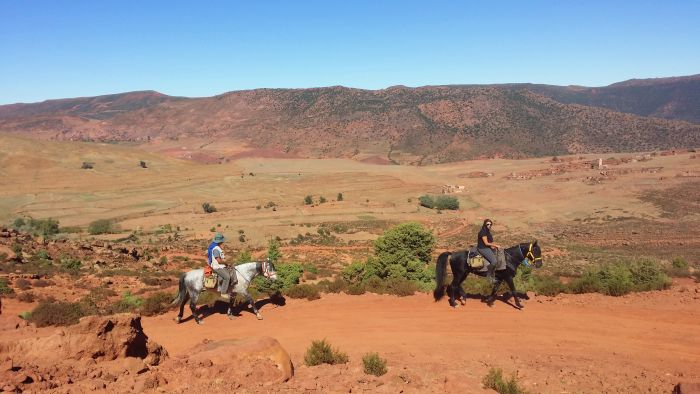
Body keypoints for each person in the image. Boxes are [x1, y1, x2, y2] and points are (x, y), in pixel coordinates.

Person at [207, 232, 237, 299]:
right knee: (227, 277)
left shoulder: (218, 248)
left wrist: (227, 264)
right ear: (221, 241)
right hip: (217, 267)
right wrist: (226, 262)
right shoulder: (216, 249)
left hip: (221, 266)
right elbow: (218, 261)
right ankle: (223, 292)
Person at [477, 219, 500, 284]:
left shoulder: (487, 231)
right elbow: (486, 243)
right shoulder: (483, 232)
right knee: (494, 261)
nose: (489, 225)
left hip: (487, 247)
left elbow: (490, 242)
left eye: (490, 224)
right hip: (483, 248)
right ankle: (489, 276)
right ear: (485, 224)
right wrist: (495, 245)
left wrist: (493, 246)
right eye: (487, 224)